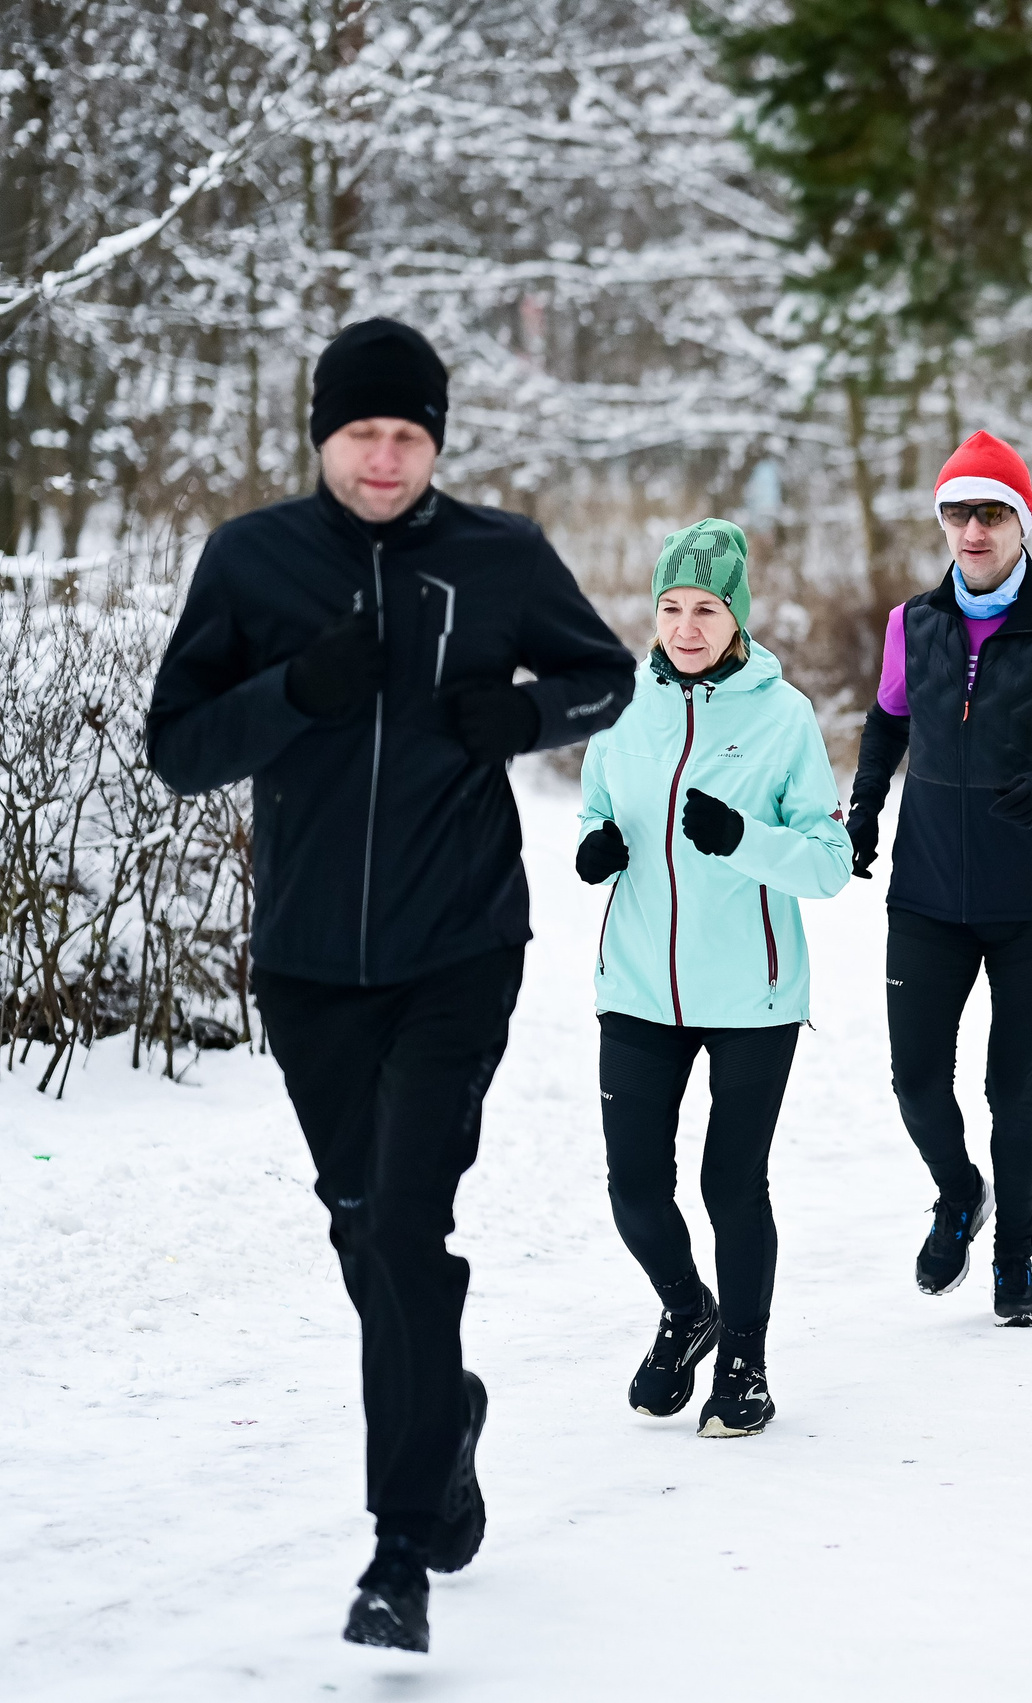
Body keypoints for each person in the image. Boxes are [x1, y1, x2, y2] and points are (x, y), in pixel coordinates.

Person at [145, 319, 635, 1653]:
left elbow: (611, 676)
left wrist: (526, 718)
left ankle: (397, 1548)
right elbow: (175, 746)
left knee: (404, 1226)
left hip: (459, 951)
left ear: (436, 444)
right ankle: (447, 1406)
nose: (384, 455)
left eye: (408, 434)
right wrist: (293, 690)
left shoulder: (502, 556)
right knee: (367, 1231)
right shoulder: (253, 560)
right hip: (308, 967)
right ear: (323, 436)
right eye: (362, 431)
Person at [847, 432, 1032, 1324]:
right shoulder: (916, 622)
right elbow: (887, 720)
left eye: (991, 513)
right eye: (957, 513)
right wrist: (863, 808)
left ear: (1023, 521)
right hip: (928, 892)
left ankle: (1014, 1261)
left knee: (1013, 1089)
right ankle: (958, 1194)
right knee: (914, 1081)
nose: (972, 531)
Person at [575, 520, 851, 1438]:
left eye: (705, 609)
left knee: (732, 1183)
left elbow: (827, 861)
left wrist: (745, 842)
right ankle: (686, 1308)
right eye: (670, 608)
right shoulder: (623, 710)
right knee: (634, 1189)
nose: (685, 627)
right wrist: (595, 849)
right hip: (641, 988)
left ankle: (745, 1359)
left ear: (737, 617)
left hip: (753, 995)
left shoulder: (784, 719)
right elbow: (597, 807)